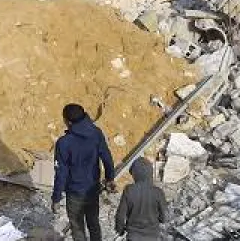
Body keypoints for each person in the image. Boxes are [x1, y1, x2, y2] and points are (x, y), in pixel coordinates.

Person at [53, 103, 117, 241]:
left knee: (77, 228)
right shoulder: (96, 133)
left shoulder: (64, 143)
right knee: (94, 224)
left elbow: (61, 173)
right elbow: (106, 156)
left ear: (67, 121)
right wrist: (110, 178)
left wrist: (56, 198)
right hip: (93, 190)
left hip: (74, 193)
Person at [114, 157, 168, 241]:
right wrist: (159, 220)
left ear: (136, 174)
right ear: (150, 173)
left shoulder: (129, 190)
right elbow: (165, 216)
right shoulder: (158, 192)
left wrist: (120, 230)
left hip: (133, 236)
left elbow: (120, 215)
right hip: (152, 236)